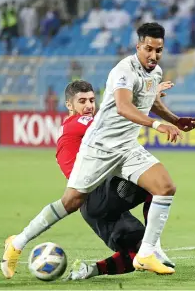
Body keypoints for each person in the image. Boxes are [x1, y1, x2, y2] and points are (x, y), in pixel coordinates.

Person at [1, 22, 195, 279]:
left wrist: (174, 119)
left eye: (158, 50)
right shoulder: (123, 71)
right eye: (148, 49)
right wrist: (158, 125)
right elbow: (124, 107)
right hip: (100, 148)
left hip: (126, 148)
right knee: (71, 202)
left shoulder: (156, 72)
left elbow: (150, 100)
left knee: (164, 187)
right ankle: (17, 242)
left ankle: (147, 253)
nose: (153, 55)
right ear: (138, 46)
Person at [53, 80, 174, 280]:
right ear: (69, 105)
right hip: (97, 194)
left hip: (94, 207)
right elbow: (116, 121)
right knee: (157, 184)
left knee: (134, 254)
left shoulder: (80, 127)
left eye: (91, 100)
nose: (89, 106)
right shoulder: (79, 123)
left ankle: (89, 270)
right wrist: (147, 99)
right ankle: (155, 249)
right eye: (82, 101)